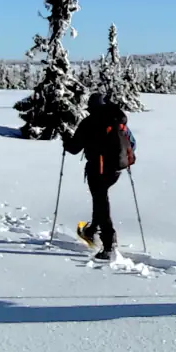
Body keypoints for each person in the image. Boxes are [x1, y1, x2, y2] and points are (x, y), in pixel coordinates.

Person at [64, 94, 132, 259]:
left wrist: (66, 139)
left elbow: (74, 148)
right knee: (100, 198)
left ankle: (109, 243)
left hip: (98, 168)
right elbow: (132, 143)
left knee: (101, 201)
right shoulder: (118, 120)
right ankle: (92, 230)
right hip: (117, 168)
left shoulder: (89, 122)